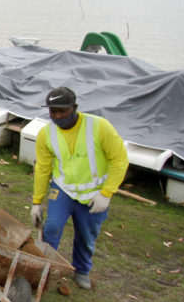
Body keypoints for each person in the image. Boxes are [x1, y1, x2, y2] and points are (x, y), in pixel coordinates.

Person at [30, 87, 128, 290]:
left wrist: (106, 193)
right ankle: (46, 267)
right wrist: (37, 202)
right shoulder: (46, 134)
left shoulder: (100, 127)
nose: (57, 116)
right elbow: (42, 168)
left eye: (62, 111)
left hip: (94, 193)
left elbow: (120, 160)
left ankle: (81, 270)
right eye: (52, 111)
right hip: (63, 189)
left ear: (74, 108)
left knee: (86, 234)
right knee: (51, 227)